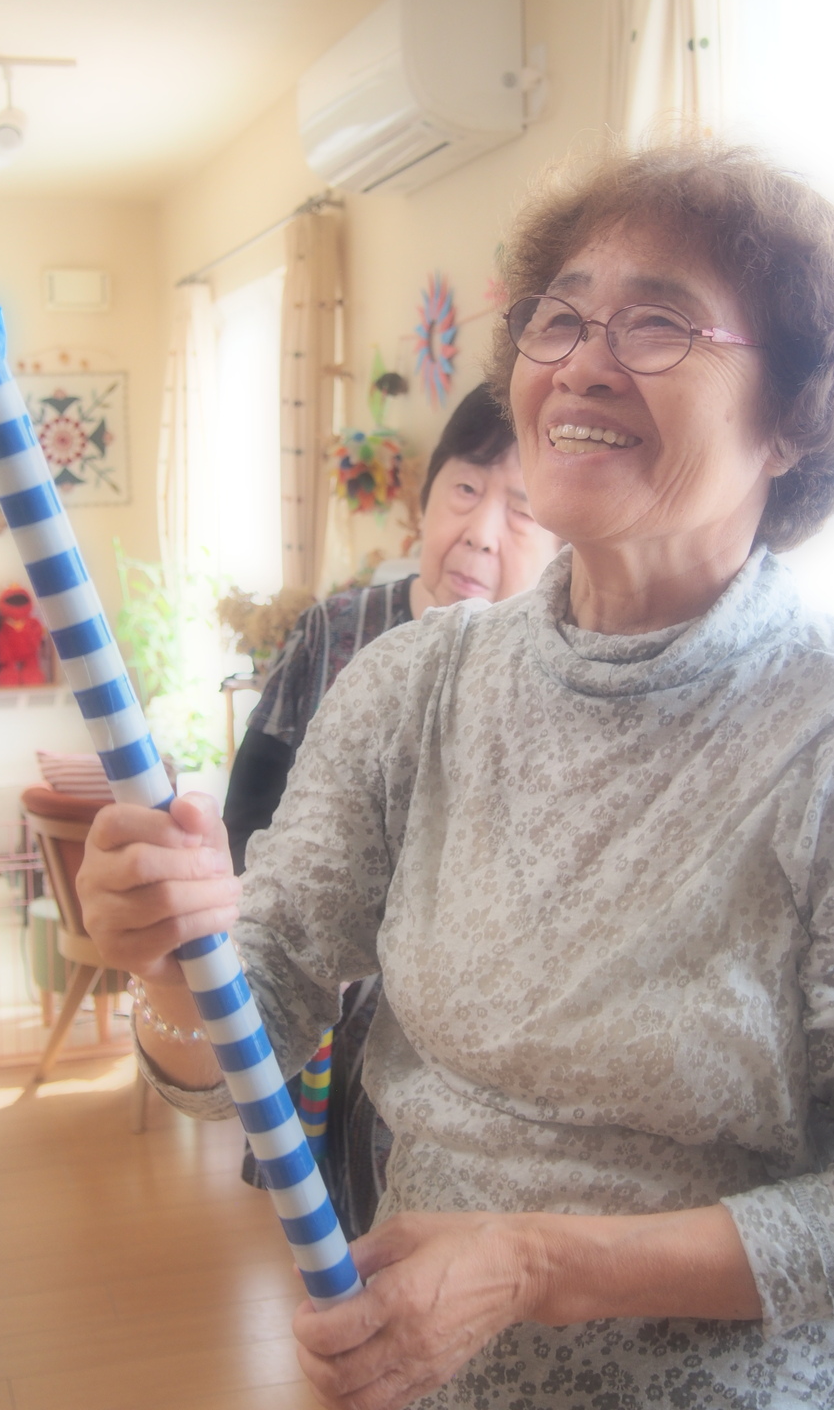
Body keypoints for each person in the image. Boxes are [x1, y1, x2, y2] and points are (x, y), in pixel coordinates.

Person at [79, 142, 834, 1410]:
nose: (582, 360)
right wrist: (173, 964)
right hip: (421, 1378)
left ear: (794, 417)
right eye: (559, 316)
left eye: (658, 322)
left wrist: (535, 1264)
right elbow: (252, 1012)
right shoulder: (415, 685)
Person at [225, 383, 560, 1233]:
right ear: (425, 500)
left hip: (462, 1059)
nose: (480, 530)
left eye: (522, 509)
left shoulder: (557, 679)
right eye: (465, 489)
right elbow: (251, 802)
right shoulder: (340, 631)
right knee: (335, 1239)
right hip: (323, 1001)